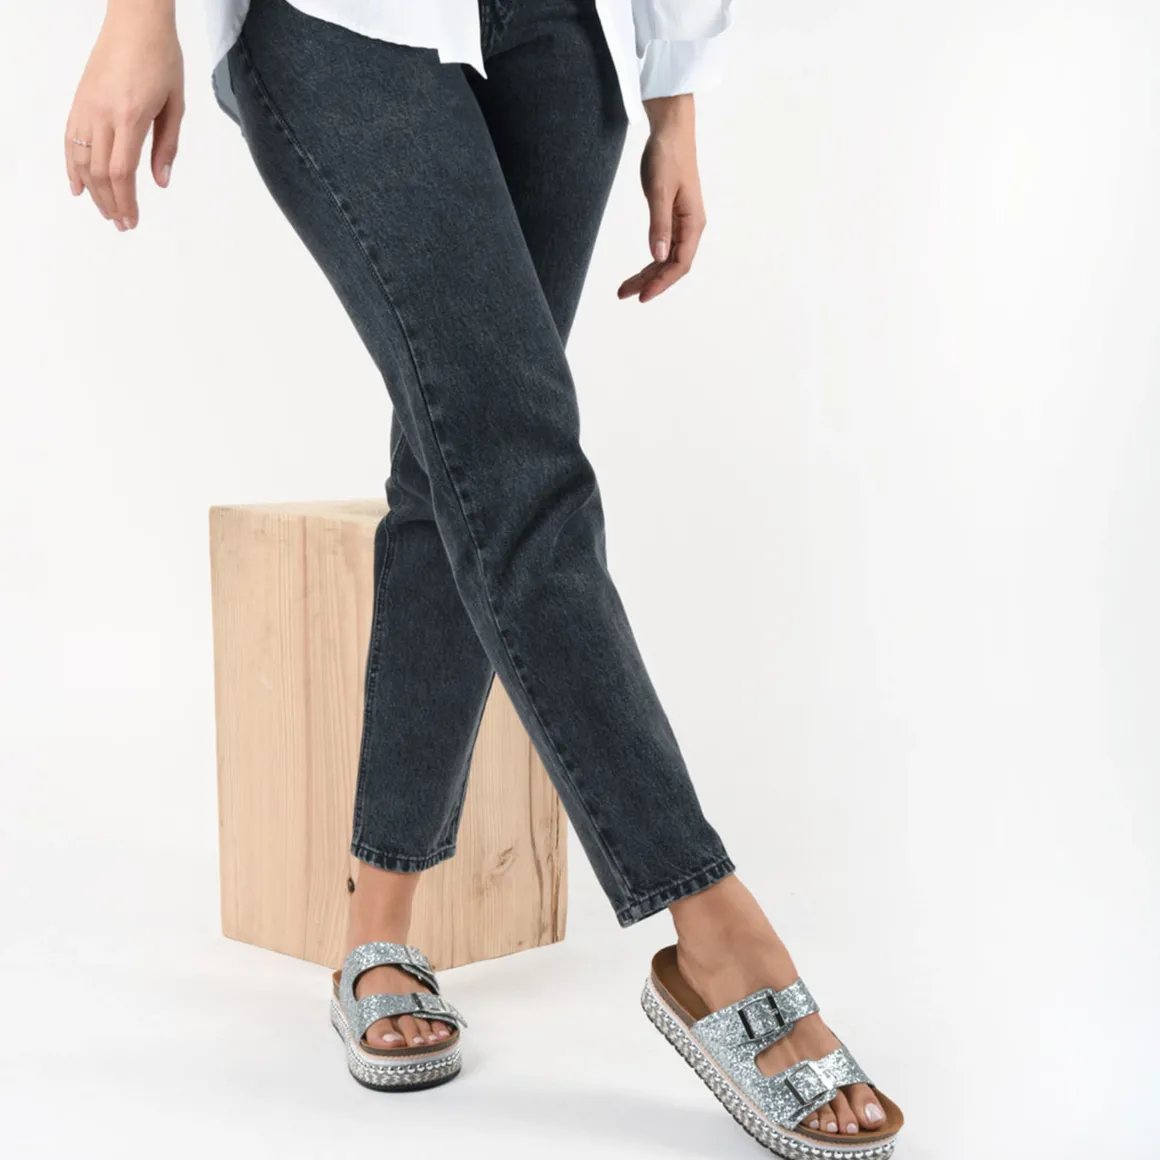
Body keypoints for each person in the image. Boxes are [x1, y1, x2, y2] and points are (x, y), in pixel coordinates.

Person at [64, 0, 903, 1152]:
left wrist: (675, 94)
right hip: (339, 31)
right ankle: (716, 929)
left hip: (557, 37)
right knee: (516, 473)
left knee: (453, 463)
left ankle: (377, 929)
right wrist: (137, 15)